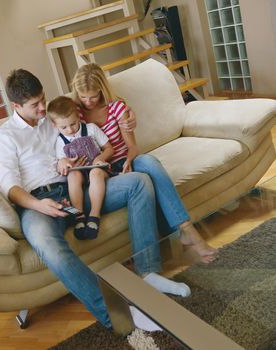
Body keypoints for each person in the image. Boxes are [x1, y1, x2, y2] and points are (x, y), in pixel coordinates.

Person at [0, 68, 191, 329]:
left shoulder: (54, 117)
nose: (43, 107)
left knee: (139, 183)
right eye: (35, 104)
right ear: (16, 105)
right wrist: (40, 204)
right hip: (37, 203)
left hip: (78, 190)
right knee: (47, 243)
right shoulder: (5, 137)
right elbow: (10, 188)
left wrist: (129, 116)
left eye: (43, 98)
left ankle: (149, 272)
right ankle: (119, 315)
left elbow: (95, 103)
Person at [71, 63, 217, 261]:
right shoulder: (74, 114)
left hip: (124, 159)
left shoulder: (117, 108)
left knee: (149, 162)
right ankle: (181, 237)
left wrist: (129, 161)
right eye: (83, 96)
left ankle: (187, 229)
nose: (88, 101)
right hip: (100, 171)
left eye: (93, 96)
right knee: (142, 179)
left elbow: (132, 147)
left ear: (102, 90)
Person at [47, 95, 114, 240]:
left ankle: (94, 215)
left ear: (78, 116)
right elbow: (61, 162)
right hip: (80, 175)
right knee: (73, 175)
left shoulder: (90, 129)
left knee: (95, 173)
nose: (70, 130)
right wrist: (64, 162)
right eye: (63, 127)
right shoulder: (60, 141)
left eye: (73, 124)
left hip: (99, 170)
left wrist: (100, 158)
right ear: (54, 126)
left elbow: (109, 148)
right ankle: (79, 215)